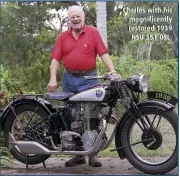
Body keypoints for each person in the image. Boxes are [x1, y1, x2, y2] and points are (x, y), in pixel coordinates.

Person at [48, 5, 121, 167]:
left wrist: (113, 71)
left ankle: (93, 154)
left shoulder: (93, 32)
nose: (75, 19)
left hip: (89, 79)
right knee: (71, 116)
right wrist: (53, 78)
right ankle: (77, 154)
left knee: (92, 116)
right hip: (69, 79)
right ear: (69, 19)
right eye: (72, 16)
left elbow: (103, 53)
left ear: (84, 17)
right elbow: (55, 59)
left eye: (78, 16)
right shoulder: (63, 37)